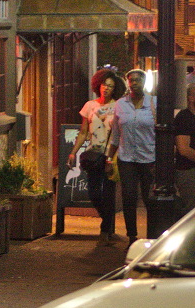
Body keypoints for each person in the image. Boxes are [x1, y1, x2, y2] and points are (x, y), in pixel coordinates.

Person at [67, 69, 126, 246]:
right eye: (104, 85)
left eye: (110, 86)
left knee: (108, 193)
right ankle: (106, 221)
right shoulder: (90, 106)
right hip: (93, 155)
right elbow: (84, 132)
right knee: (93, 193)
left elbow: (119, 133)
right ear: (98, 85)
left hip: (111, 155)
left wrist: (113, 156)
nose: (106, 89)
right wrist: (73, 152)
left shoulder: (118, 107)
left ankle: (105, 230)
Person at [106, 69, 156, 246]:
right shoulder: (121, 104)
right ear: (127, 83)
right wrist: (109, 158)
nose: (134, 83)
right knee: (129, 196)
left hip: (148, 157)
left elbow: (160, 131)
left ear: (144, 82)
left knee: (149, 198)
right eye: (131, 80)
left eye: (138, 80)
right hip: (127, 158)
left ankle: (152, 234)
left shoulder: (153, 103)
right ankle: (132, 236)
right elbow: (116, 135)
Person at [175, 84, 195, 217]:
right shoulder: (184, 117)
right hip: (188, 170)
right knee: (190, 210)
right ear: (189, 98)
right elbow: (183, 149)